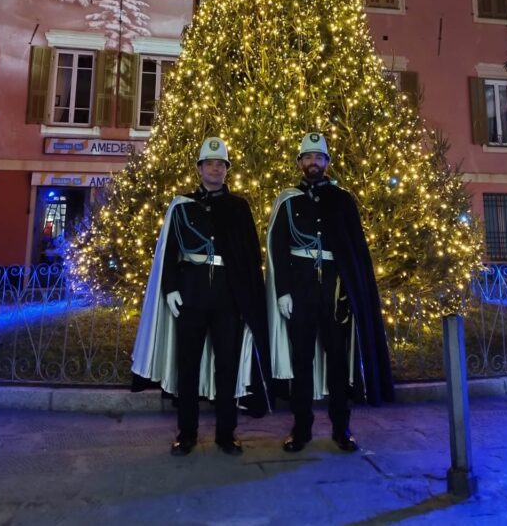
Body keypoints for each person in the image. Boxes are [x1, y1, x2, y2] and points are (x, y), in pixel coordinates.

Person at [131, 137, 270, 456]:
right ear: (199, 168)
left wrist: (248, 299)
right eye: (210, 163)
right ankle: (187, 433)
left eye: (221, 164)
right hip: (191, 297)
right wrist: (170, 289)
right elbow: (167, 252)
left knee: (227, 368)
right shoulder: (182, 206)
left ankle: (226, 433)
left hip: (227, 299)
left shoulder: (239, 207)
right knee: (188, 368)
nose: (216, 168)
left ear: (227, 170)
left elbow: (250, 257)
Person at [267, 131, 394, 454]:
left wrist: (352, 292)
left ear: (327, 162)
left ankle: (341, 428)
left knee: (338, 362)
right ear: (299, 162)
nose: (313, 163)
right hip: (300, 291)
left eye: (319, 157)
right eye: (307, 157)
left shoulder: (343, 200)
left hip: (335, 291)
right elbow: (278, 249)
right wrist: (283, 291)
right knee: (302, 361)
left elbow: (355, 250)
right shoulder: (287, 200)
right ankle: (301, 428)